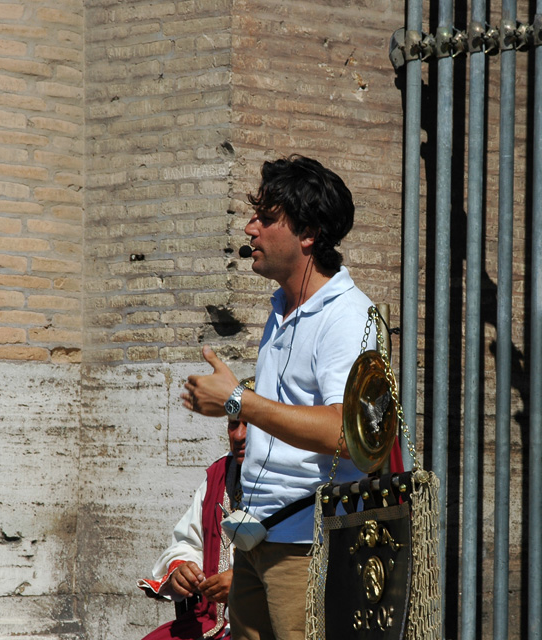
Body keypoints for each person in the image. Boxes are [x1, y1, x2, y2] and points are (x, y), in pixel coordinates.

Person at [181, 155, 373, 640]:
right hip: (259, 539)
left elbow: (348, 434)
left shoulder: (347, 318)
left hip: (309, 547)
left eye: (266, 219)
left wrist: (239, 402)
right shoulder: (282, 308)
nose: (250, 228)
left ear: (307, 234)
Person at [138, 415, 249, 640]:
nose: (239, 436)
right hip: (213, 623)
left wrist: (244, 584)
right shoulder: (219, 475)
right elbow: (189, 542)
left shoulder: (298, 481)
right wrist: (183, 570)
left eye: (251, 425)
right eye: (233, 424)